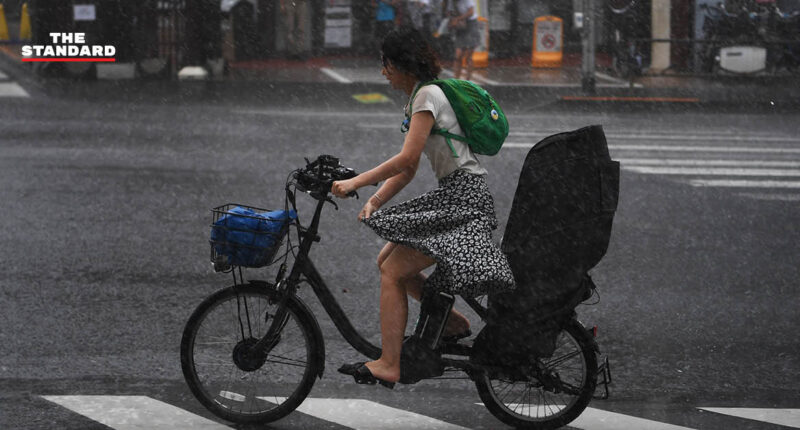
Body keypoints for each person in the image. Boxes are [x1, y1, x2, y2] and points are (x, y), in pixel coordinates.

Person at [331, 27, 514, 387]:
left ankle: (389, 363)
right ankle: (452, 323)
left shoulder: (427, 96)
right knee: (386, 260)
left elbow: (406, 157)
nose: (383, 72)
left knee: (393, 271)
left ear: (402, 65)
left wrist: (357, 182)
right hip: (458, 193)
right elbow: (410, 169)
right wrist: (375, 199)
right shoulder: (422, 95)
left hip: (463, 197)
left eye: (386, 64)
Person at [447, 0, 479, 80]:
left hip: (471, 24)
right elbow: (449, 12)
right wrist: (452, 19)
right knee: (458, 55)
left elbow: (471, 12)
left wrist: (458, 19)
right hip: (460, 27)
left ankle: (468, 80)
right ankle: (456, 78)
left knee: (468, 55)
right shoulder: (451, 2)